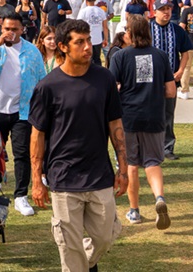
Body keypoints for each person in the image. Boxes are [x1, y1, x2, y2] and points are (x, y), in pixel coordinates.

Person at [29, 19, 127, 272]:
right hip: (63, 176)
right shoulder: (47, 86)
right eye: (79, 42)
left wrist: (123, 167)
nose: (87, 47)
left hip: (99, 173)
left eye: (88, 40)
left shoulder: (104, 78)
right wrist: (37, 180)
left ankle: (80, 262)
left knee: (105, 236)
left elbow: (115, 124)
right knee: (68, 248)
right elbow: (37, 136)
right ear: (62, 46)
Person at [110, 14, 175, 228]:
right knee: (153, 162)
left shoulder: (119, 57)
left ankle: (134, 210)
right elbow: (170, 90)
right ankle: (159, 198)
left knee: (131, 165)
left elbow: (111, 88)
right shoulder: (161, 55)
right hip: (154, 116)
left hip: (128, 117)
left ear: (128, 33)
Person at [0, 12, 47, 217]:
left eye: (15, 29)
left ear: (22, 30)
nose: (10, 33)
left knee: (22, 154)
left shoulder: (32, 51)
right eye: (7, 29)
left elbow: (41, 80)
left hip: (22, 111)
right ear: (2, 28)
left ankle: (20, 195)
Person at [150, 0, 192, 161]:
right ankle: (150, 148)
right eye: (162, 9)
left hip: (170, 80)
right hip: (150, 80)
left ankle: (167, 147)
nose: (166, 12)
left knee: (168, 114)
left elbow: (185, 53)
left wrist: (181, 71)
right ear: (155, 12)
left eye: (168, 9)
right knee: (150, 114)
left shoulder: (177, 30)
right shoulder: (147, 28)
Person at [78, 0, 110, 65]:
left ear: (86, 1)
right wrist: (105, 39)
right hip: (98, 39)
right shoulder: (101, 11)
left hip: (87, 39)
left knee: (88, 59)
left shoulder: (83, 11)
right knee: (97, 58)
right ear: (94, 0)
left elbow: (78, 26)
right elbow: (105, 26)